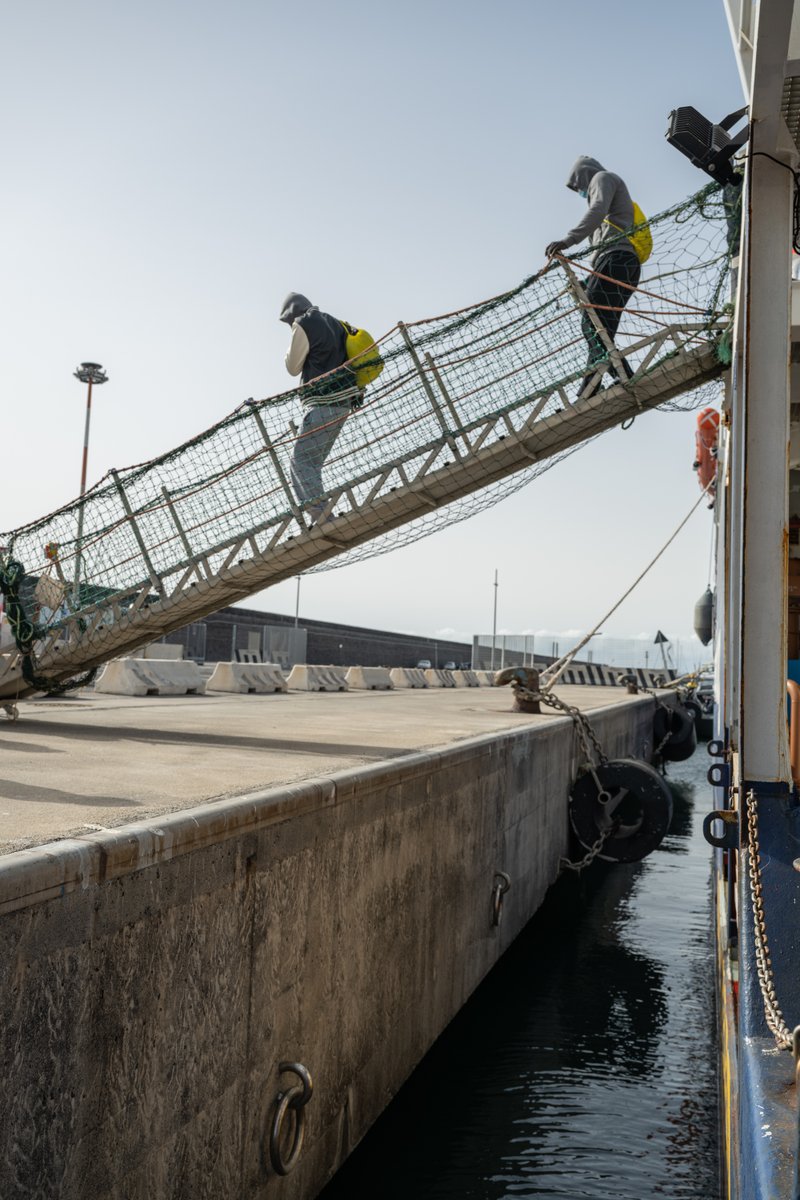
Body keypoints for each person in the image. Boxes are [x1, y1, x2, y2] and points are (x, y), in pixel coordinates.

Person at [545, 156, 641, 398]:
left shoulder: (602, 178)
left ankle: (600, 384)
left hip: (616, 258)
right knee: (601, 329)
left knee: (593, 324)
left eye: (577, 187)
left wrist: (568, 240)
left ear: (583, 176)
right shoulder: (605, 183)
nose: (580, 192)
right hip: (621, 263)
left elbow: (597, 210)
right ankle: (601, 384)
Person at [279, 292, 358, 521]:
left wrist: (292, 341)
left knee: (301, 462)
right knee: (311, 462)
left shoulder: (303, 324)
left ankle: (320, 515)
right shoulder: (333, 321)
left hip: (322, 403)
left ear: (291, 315)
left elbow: (293, 366)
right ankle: (322, 511)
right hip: (343, 403)